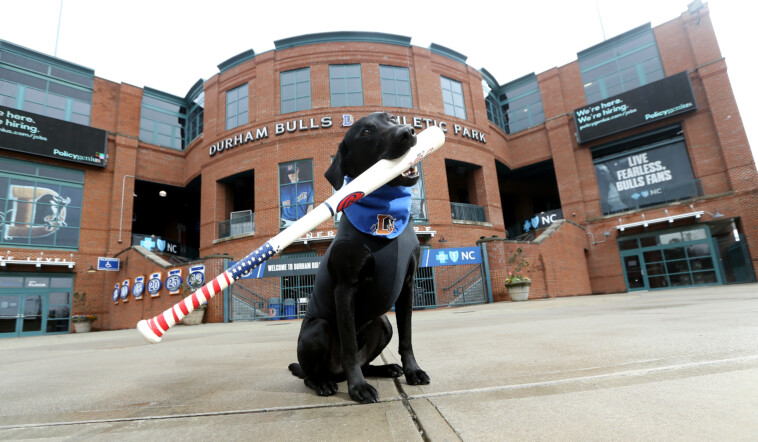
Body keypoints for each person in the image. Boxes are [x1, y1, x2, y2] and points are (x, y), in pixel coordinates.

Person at [280, 163, 314, 227]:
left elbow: (310, 204)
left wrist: (307, 220)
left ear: (298, 170)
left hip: (302, 221)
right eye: (289, 173)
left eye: (293, 172)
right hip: (286, 222)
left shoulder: (306, 186)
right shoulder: (282, 189)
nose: (291, 175)